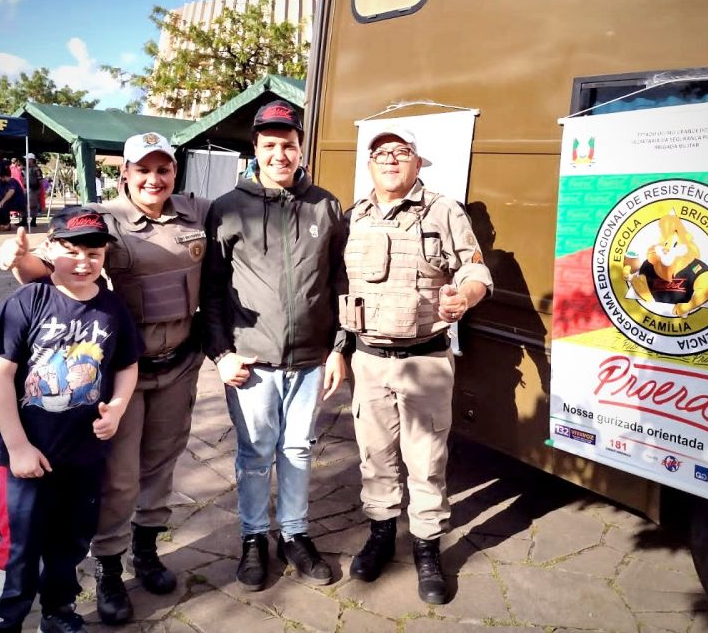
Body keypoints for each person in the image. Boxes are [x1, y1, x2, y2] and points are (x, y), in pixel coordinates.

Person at [0, 131, 209, 625]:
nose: (154, 179)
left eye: (164, 169)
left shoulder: (197, 213)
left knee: (162, 462)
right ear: (125, 175)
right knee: (118, 475)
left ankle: (147, 549)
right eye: (143, 170)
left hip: (179, 364)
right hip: (121, 374)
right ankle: (109, 565)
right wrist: (18, 258)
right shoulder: (104, 219)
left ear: (175, 173)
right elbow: (53, 265)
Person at [340, 127, 492, 604]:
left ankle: (427, 548)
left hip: (424, 359)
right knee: (376, 457)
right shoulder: (354, 216)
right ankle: (382, 535)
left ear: (417, 161)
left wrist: (461, 299)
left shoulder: (444, 210)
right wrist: (337, 348)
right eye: (381, 153)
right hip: (368, 360)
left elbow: (475, 269)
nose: (390, 160)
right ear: (370, 164)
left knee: (426, 463)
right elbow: (337, 286)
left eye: (400, 152)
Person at [202, 100, 347, 592]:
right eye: (269, 146)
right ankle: (252, 538)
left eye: (288, 145)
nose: (279, 154)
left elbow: (339, 282)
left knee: (299, 450)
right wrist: (220, 354)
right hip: (251, 363)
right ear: (256, 150)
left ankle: (295, 534)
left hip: (310, 361)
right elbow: (211, 292)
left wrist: (339, 348)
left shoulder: (325, 206)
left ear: (300, 147)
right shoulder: (227, 208)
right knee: (255, 454)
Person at [0, 208, 141, 633]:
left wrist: (119, 407)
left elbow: (126, 364)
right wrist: (17, 446)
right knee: (18, 547)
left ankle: (59, 612)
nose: (83, 262)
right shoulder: (26, 301)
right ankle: (2, 621)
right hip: (24, 456)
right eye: (71, 251)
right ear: (49, 249)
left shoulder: (112, 308)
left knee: (69, 542)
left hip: (82, 454)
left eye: (94, 252)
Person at [0, 165, 27, 231]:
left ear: (3, 176)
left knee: (3, 205)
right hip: (9, 202)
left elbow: (11, 191)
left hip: (17, 203)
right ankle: (1, 223)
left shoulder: (12, 181)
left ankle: (7, 223)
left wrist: (2, 201)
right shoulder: (2, 183)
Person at [26, 153, 43, 227]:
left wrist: (39, 189)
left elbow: (40, 179)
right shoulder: (27, 168)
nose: (26, 161)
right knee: (28, 204)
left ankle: (33, 220)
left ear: (31, 160)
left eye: (28, 159)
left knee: (33, 205)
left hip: (35, 189)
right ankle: (25, 220)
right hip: (29, 188)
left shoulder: (36, 168)